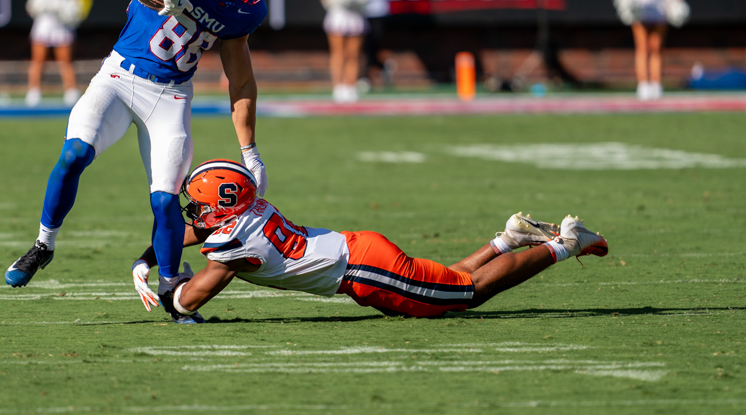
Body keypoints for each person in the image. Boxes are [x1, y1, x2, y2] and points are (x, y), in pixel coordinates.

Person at [4, 0, 279, 327]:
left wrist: (250, 150)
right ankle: (44, 244)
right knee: (74, 153)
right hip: (117, 78)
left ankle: (171, 289)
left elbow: (240, 79)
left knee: (165, 199)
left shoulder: (245, 10)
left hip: (171, 96)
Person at [132, 160, 609, 322]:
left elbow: (190, 301)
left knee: (467, 295)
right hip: (360, 251)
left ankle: (565, 243)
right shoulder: (251, 212)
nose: (196, 213)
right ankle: (509, 238)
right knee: (446, 283)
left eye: (201, 203)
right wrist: (149, 258)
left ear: (225, 206)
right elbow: (188, 233)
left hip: (364, 270)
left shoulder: (234, 243)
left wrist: (173, 291)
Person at [25, 0, 83, 107]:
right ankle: (34, 92)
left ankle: (71, 91)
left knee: (65, 61)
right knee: (38, 61)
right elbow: (30, 8)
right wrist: (39, 7)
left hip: (61, 28)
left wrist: (66, 13)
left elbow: (75, 9)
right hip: (43, 28)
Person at [319, 0, 367, 103]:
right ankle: (338, 86)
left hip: (355, 17)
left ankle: (350, 86)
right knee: (338, 53)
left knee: (354, 54)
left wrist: (359, 0)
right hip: (338, 16)